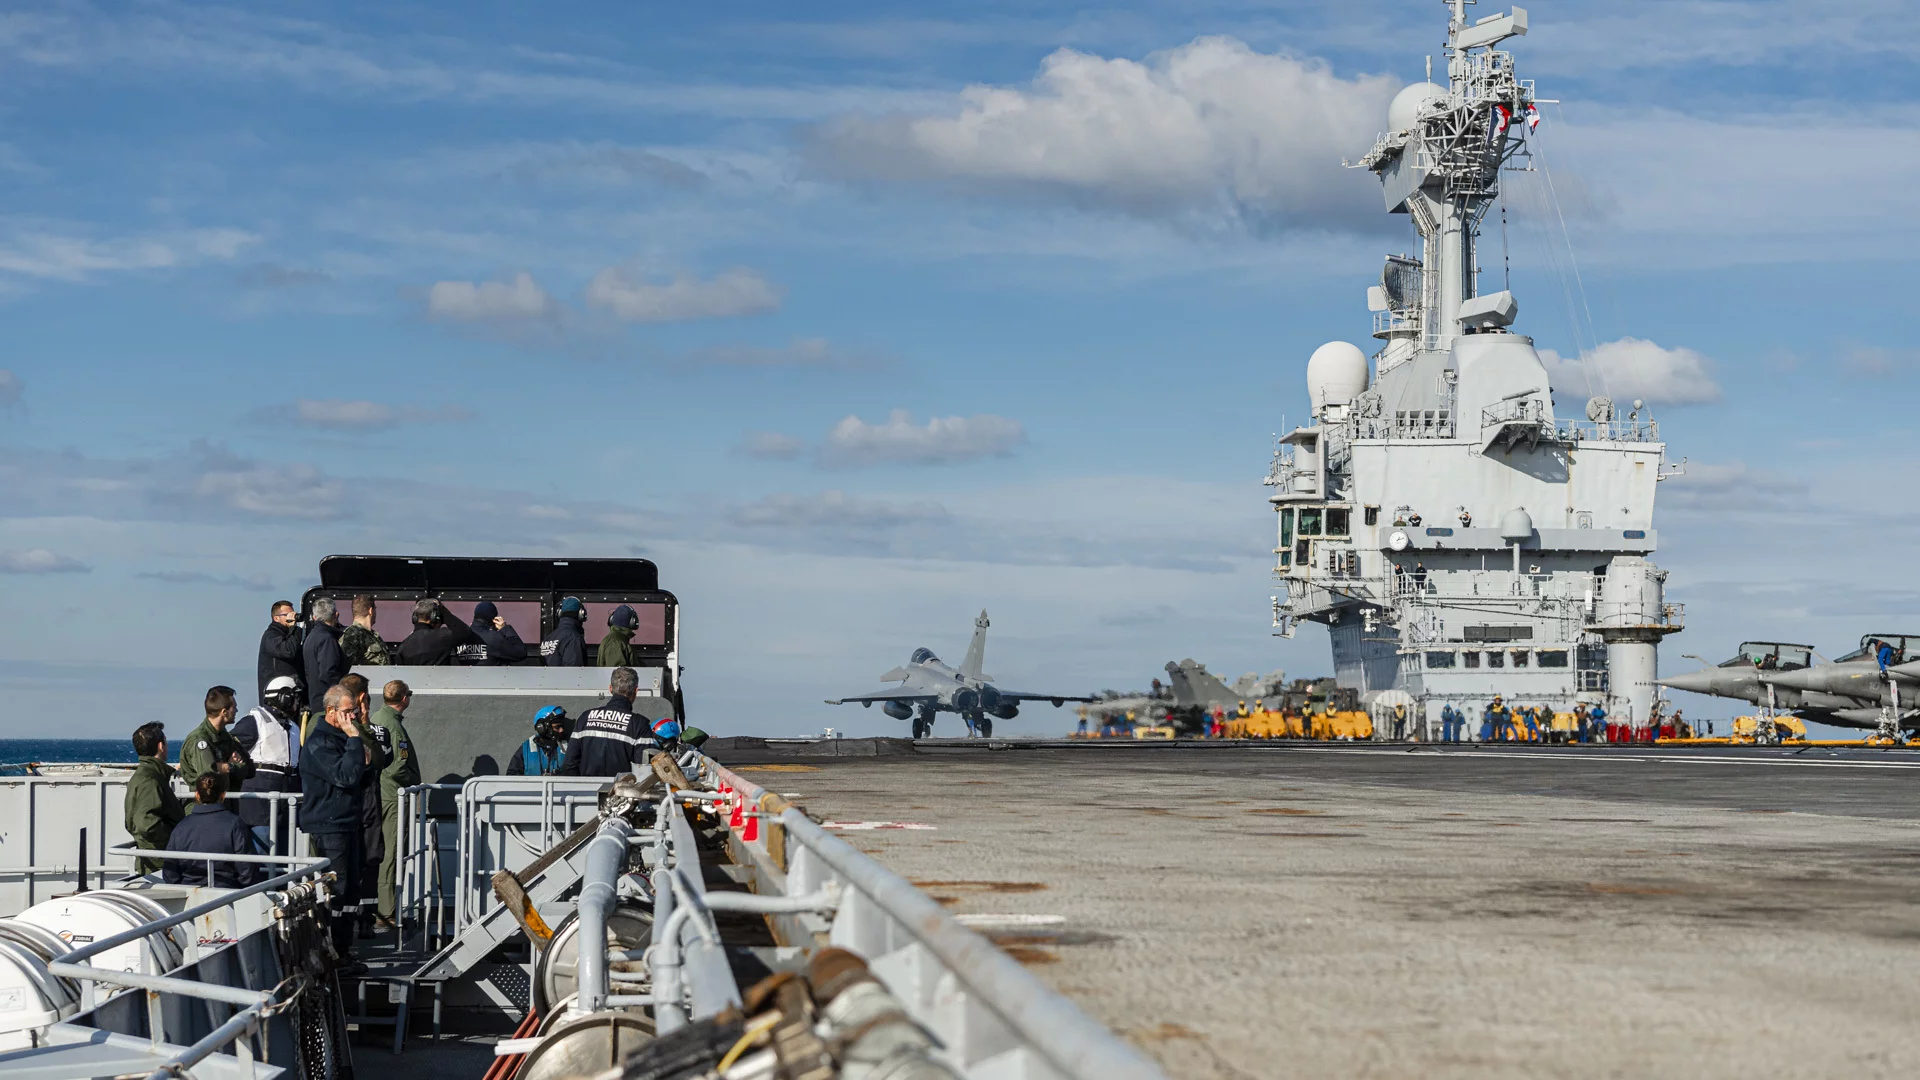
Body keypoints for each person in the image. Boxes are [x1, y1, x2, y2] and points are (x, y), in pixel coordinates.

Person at [300, 683, 369, 971]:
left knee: (351, 891)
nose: (352, 717)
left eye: (353, 711)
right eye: (348, 711)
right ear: (331, 711)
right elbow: (346, 776)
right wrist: (355, 741)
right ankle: (331, 953)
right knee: (336, 892)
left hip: (347, 822)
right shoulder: (320, 744)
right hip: (330, 826)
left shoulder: (340, 740)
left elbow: (365, 770)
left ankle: (343, 949)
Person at [338, 673, 390, 933]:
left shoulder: (367, 727)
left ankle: (366, 920)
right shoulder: (323, 722)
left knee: (370, 861)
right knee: (345, 865)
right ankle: (342, 926)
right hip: (345, 805)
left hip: (368, 802)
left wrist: (365, 725)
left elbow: (379, 760)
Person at [366, 679, 419, 930]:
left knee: (380, 851)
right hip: (393, 795)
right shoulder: (394, 726)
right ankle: (386, 912)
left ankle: (380, 908)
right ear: (404, 699)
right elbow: (398, 765)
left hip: (379, 793)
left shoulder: (376, 717)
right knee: (392, 851)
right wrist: (415, 781)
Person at [232, 675, 302, 853]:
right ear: (283, 697)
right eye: (293, 696)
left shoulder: (293, 727)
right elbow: (230, 747)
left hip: (286, 802)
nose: (296, 701)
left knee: (286, 855)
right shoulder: (255, 721)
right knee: (262, 853)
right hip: (260, 805)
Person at [163, 773, 262, 889]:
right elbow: (247, 870)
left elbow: (170, 873)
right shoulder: (235, 824)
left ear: (197, 795)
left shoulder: (181, 826)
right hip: (228, 895)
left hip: (188, 896)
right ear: (223, 795)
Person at [559, 667, 655, 776]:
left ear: (610, 689)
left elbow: (569, 765)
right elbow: (645, 770)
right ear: (636, 691)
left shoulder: (585, 718)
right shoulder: (639, 724)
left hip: (586, 790)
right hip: (621, 791)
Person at [126, 722, 185, 874]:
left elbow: (132, 822)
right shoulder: (151, 781)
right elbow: (146, 824)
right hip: (159, 864)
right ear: (160, 746)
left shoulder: (142, 776)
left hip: (154, 861)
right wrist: (174, 841)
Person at [179, 686, 256, 791]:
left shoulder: (227, 738)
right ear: (224, 712)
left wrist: (222, 768)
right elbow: (208, 777)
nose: (237, 710)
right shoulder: (198, 740)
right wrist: (231, 766)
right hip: (205, 805)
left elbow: (250, 769)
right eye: (234, 707)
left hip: (227, 802)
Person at [397, 599, 480, 666]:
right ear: (434, 618)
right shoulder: (442, 636)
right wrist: (444, 611)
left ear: (415, 618)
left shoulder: (404, 645)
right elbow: (465, 631)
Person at [303, 598, 347, 717]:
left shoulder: (311, 637)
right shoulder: (327, 639)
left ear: (314, 617)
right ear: (336, 615)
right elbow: (328, 672)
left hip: (316, 700)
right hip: (329, 703)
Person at [257, 600, 303, 705]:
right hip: (276, 697)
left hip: (291, 692)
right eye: (287, 615)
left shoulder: (291, 634)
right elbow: (288, 651)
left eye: (293, 614)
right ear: (276, 618)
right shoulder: (271, 636)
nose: (291, 617)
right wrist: (294, 629)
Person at [459, 601, 529, 666]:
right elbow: (521, 652)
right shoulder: (494, 638)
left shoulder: (460, 637)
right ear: (494, 620)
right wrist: (505, 628)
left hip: (466, 678)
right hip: (491, 678)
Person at [507, 706, 571, 776]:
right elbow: (512, 775)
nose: (562, 730)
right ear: (541, 728)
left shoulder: (568, 748)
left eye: (562, 726)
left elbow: (576, 774)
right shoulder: (526, 748)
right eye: (557, 727)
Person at [339, 596, 390, 668]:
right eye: (375, 609)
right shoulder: (353, 634)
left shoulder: (373, 635)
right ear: (370, 610)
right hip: (367, 678)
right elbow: (346, 666)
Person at [542, 596, 588, 667]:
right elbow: (574, 672)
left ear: (560, 613)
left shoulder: (548, 638)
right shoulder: (574, 639)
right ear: (581, 614)